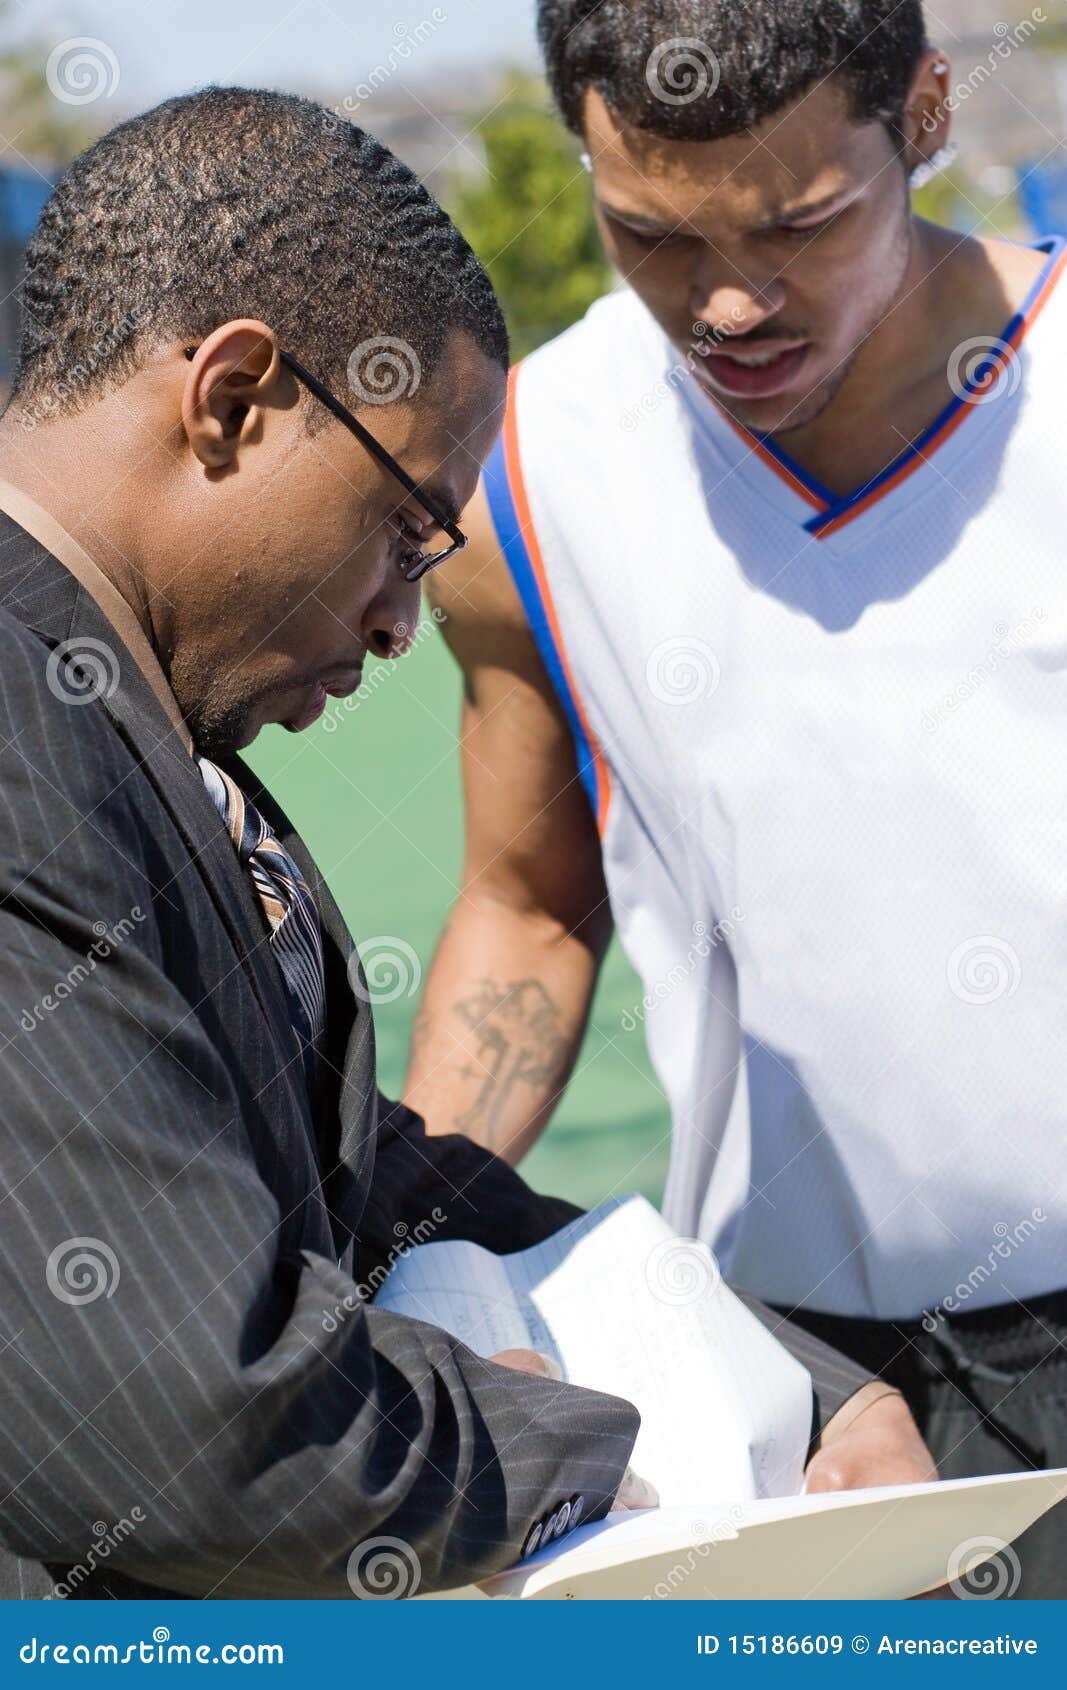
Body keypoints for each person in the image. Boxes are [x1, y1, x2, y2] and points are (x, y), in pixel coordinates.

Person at [0, 87, 924, 1602]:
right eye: (401, 529)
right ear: (233, 399)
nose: (400, 624)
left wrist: (790, 1381)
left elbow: (354, 1171)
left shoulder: (110, 717)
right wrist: (574, 1446)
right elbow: (182, 1419)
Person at [406, 1, 1067, 1596]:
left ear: (925, 117)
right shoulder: (532, 468)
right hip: (797, 1383)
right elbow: (529, 903)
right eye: (651, 233)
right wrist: (407, 1249)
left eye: (801, 225)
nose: (728, 302)